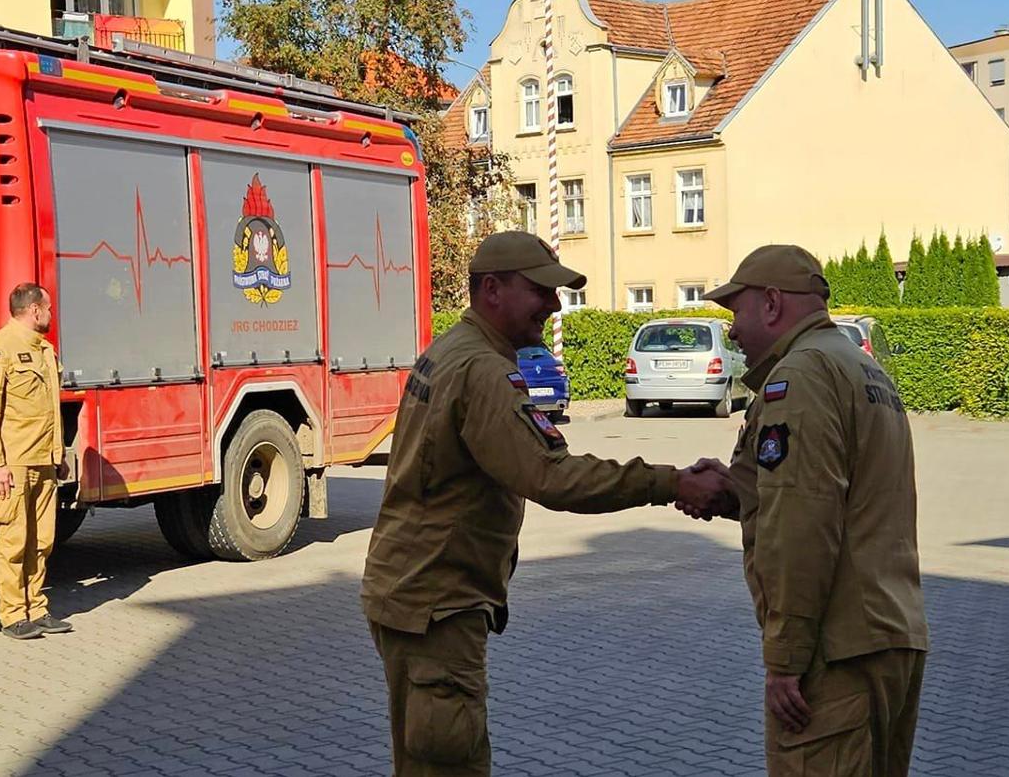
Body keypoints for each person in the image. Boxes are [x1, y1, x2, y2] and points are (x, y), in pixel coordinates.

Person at [360, 231, 730, 776]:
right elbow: (551, 477)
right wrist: (670, 482)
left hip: (413, 595)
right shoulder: (483, 370)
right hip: (437, 606)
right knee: (450, 764)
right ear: (492, 289)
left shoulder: (453, 349)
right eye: (541, 291)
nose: (554, 306)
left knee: (421, 760)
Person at [685, 245, 929, 776]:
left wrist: (786, 658)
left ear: (772, 303)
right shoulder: (860, 367)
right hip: (889, 638)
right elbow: (823, 493)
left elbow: (801, 523)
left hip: (834, 653)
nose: (732, 331)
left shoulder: (799, 378)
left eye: (737, 311)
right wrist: (730, 489)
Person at [0, 283, 72, 641]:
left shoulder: (45, 350)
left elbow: (52, 412)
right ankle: (13, 615)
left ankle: (36, 608)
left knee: (42, 540)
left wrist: (58, 455)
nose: (52, 313)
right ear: (33, 310)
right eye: (49, 308)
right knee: (13, 540)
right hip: (12, 465)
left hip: (44, 462)